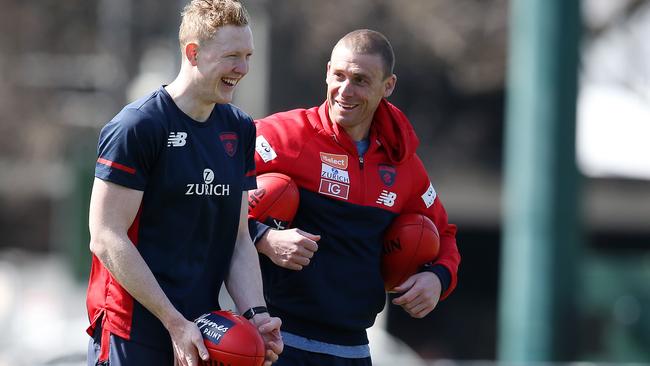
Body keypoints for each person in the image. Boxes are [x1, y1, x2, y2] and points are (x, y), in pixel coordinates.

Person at [85, 1, 283, 365]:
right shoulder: (138, 126)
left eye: (248, 55)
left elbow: (239, 238)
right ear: (194, 53)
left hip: (203, 332)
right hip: (134, 331)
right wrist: (174, 322)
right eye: (232, 56)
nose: (243, 68)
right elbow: (106, 236)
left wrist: (256, 315)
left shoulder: (239, 128)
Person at [248, 29, 461, 365]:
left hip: (354, 351)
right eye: (339, 76)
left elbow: (444, 234)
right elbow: (210, 194)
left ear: (388, 86)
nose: (345, 91)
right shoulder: (279, 136)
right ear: (328, 71)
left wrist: (438, 278)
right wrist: (263, 237)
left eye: (360, 80)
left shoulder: (403, 164)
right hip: (276, 341)